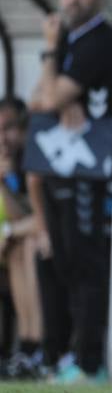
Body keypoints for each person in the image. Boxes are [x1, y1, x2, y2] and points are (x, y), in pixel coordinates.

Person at [27, 0, 112, 383]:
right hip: (56, 166)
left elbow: (48, 99)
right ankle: (63, 353)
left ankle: (89, 362)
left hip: (88, 168)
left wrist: (52, 62)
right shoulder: (68, 39)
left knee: (87, 266)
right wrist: (55, 89)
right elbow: (38, 100)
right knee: (60, 262)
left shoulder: (101, 42)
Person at [0, 97, 45, 378]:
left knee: (23, 248)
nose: (3, 137)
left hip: (11, 246)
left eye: (9, 128)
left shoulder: (31, 165)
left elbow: (37, 220)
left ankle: (31, 348)